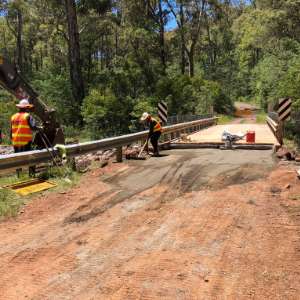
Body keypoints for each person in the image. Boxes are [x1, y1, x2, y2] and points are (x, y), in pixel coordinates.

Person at [11, 99, 38, 176]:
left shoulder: (13, 117)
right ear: (26, 108)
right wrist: (39, 128)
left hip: (16, 142)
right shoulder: (27, 116)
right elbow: (33, 127)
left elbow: (11, 131)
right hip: (26, 141)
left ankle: (19, 175)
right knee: (32, 157)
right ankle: (32, 175)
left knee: (18, 159)